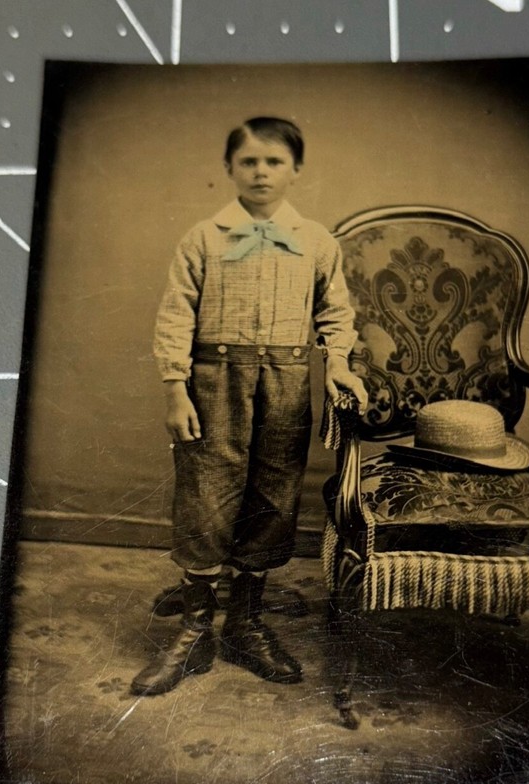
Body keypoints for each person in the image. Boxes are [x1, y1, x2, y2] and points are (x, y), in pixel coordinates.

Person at [131, 116, 368, 697]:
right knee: (208, 494)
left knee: (272, 493)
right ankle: (194, 631)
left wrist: (336, 362)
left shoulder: (315, 240)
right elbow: (175, 315)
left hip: (286, 382)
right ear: (230, 169)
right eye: (249, 162)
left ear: (295, 170)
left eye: (274, 162)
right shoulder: (203, 237)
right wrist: (175, 388)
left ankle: (245, 621)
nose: (261, 172)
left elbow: (335, 314)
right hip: (216, 382)